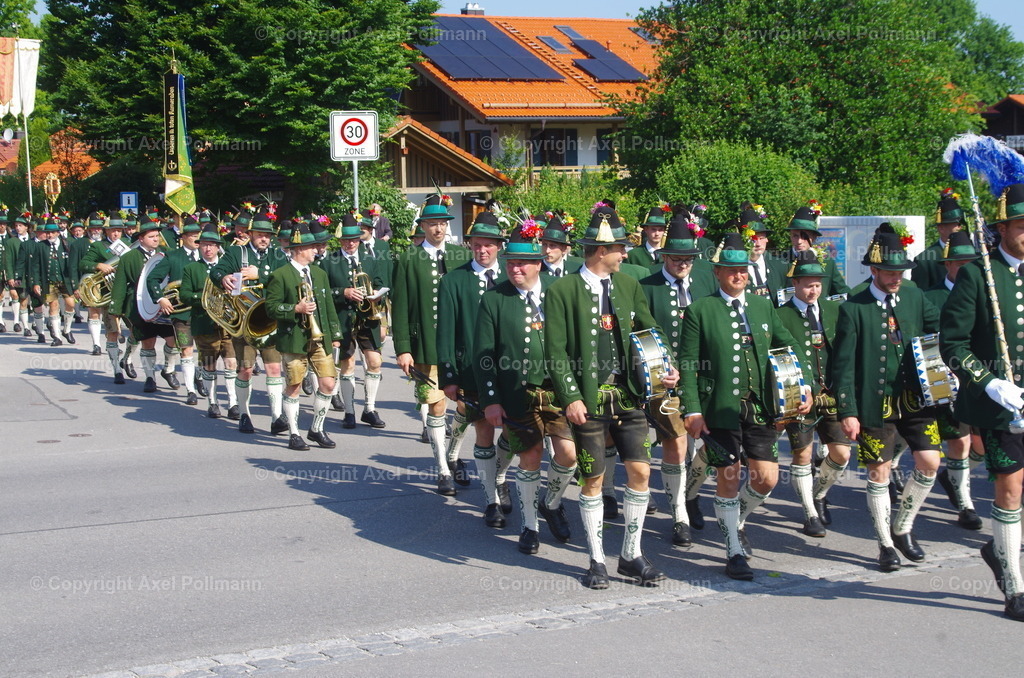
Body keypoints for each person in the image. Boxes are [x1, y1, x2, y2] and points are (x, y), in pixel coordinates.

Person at [546, 205, 679, 588]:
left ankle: (630, 554)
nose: (626, 254)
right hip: (587, 399)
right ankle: (595, 560)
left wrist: (665, 365)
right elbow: (555, 351)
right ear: (600, 251)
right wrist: (570, 396)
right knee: (592, 479)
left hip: (628, 395)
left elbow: (651, 330)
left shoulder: (627, 285)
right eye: (620, 248)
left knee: (640, 471)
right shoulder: (563, 290)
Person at [679, 233, 811, 580]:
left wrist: (804, 382)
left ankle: (737, 517)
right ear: (718, 272)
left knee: (766, 479)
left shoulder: (762, 305)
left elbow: (789, 342)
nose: (739, 275)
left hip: (761, 406)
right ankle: (733, 550)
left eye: (743, 270)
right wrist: (691, 409)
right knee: (729, 474)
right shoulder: (699, 310)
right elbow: (689, 363)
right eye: (732, 270)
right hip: (720, 406)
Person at [834, 224, 942, 573]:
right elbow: (843, 366)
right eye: (891, 272)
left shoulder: (913, 295)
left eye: (901, 272)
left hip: (916, 398)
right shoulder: (854, 305)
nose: (897, 277)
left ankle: (903, 526)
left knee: (930, 462)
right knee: (879, 472)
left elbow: (936, 330)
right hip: (872, 403)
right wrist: (847, 411)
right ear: (874, 269)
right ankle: (884, 543)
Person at [941, 182, 1024, 621]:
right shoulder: (978, 274)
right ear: (1003, 228)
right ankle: (1015, 587)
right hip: (999, 404)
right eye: (1022, 224)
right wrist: (990, 383)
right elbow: (952, 343)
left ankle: (998, 548)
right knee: (1010, 488)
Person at [476, 225, 578, 553]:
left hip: (558, 390)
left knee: (568, 455)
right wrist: (491, 400)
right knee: (531, 456)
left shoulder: (560, 291)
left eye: (522, 264)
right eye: (509, 264)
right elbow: (484, 355)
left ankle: (551, 502)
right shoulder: (494, 298)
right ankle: (530, 525)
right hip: (517, 393)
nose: (514, 269)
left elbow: (577, 345)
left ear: (538, 264)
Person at [638, 209, 717, 547]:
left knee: (710, 446)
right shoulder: (647, 286)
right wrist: (665, 367)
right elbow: (641, 333)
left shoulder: (707, 281)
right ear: (664, 256)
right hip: (665, 380)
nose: (682, 263)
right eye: (676, 257)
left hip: (705, 377)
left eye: (688, 258)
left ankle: (692, 492)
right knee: (676, 443)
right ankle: (679, 515)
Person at [392, 193, 471, 494]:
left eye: (442, 223)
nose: (438, 229)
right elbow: (399, 306)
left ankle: (453, 454)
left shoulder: (460, 256)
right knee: (436, 405)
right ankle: (442, 468)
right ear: (422, 225)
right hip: (425, 344)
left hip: (460, 347)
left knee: (466, 405)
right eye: (432, 223)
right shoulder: (408, 259)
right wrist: (402, 348)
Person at [775, 249, 852, 537]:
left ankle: (819, 493)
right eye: (808, 284)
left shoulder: (833, 309)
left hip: (830, 394)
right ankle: (809, 512)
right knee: (802, 455)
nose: (813, 290)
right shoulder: (781, 313)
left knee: (841, 454)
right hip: (799, 394)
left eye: (818, 284)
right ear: (794, 283)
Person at [438, 211, 508, 516]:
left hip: (511, 371)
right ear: (470, 246)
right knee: (483, 431)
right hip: (473, 372)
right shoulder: (454, 280)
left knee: (514, 435)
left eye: (488, 245)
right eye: (477, 245)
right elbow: (446, 333)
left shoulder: (513, 275)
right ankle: (492, 498)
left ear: (499, 246)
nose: (483, 250)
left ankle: (501, 476)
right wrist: (449, 376)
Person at [922, 230, 983, 530]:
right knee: (958, 441)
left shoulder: (983, 290)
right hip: (941, 378)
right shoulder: (930, 296)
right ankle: (966, 504)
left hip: (979, 378)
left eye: (971, 261)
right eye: (960, 262)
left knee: (981, 445)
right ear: (947, 264)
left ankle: (953, 477)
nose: (966, 266)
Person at [209, 211, 290, 433]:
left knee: (274, 368)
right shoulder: (237, 252)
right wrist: (223, 277)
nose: (264, 238)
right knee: (245, 369)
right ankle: (244, 414)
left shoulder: (278, 256)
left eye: (267, 235)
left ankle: (276, 417)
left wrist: (260, 275)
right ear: (251, 234)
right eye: (259, 234)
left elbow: (287, 278)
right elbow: (216, 271)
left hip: (270, 320)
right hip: (245, 321)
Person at [265, 222, 343, 451]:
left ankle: (316, 428)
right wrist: (294, 309)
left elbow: (328, 305)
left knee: (328, 383)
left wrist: (335, 334)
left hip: (320, 338)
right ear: (298, 250)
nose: (316, 250)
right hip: (294, 339)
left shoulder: (319, 273)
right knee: (295, 385)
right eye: (311, 247)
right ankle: (294, 433)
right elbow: (270, 308)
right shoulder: (280, 275)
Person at [319, 214, 388, 430]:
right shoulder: (329, 261)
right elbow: (321, 292)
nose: (351, 244)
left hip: (367, 318)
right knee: (347, 364)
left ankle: (369, 408)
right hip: (342, 319)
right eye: (347, 241)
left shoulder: (370, 258)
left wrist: (377, 293)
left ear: (360, 240)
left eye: (355, 240)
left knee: (375, 362)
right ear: (340, 241)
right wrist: (343, 292)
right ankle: (349, 411)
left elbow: (381, 283)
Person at [109, 216, 175, 393]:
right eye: (151, 236)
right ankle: (150, 378)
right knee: (148, 342)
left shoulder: (166, 253)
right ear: (141, 239)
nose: (156, 239)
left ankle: (168, 370)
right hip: (140, 305)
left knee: (172, 341)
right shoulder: (129, 257)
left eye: (157, 236)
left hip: (163, 304)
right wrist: (116, 310)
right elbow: (120, 284)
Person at [179, 225, 239, 417]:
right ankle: (213, 402)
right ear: (199, 246)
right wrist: (207, 298)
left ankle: (233, 403)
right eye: (204, 245)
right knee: (209, 364)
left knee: (231, 363)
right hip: (204, 323)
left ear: (218, 247)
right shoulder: (191, 268)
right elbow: (185, 295)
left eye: (212, 245)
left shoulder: (229, 268)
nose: (208, 249)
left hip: (228, 324)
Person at [146, 216, 205, 403]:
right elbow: (152, 279)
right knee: (186, 350)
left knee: (205, 350)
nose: (197, 239)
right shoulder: (173, 256)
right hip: (182, 313)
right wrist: (161, 298)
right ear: (183, 237)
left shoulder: (208, 256)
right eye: (192, 236)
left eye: (199, 235)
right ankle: (190, 390)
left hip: (205, 312)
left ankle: (201, 378)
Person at [778, 201, 850, 299]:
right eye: (795, 236)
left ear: (814, 237)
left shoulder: (827, 263)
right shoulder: (779, 261)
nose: (799, 241)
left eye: (804, 237)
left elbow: (842, 292)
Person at [27, 219, 77, 346]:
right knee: (53, 306)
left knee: (71, 304)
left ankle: (67, 330)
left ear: (58, 233)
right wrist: (36, 283)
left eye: (52, 232)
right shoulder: (41, 246)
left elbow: (73, 264)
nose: (49, 235)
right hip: (49, 281)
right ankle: (57, 336)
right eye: (47, 232)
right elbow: (36, 266)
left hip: (65, 280)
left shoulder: (67, 244)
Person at [913, 188, 965, 291]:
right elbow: (921, 297)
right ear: (941, 228)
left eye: (961, 224)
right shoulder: (925, 260)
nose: (960, 227)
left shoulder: (972, 254)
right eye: (957, 224)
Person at [736, 203, 786, 304]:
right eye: (753, 239)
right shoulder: (735, 268)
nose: (758, 243)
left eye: (761, 238)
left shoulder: (780, 265)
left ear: (767, 240)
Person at [538, 211, 582, 279]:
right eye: (544, 244)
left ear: (564, 249)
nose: (547, 250)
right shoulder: (536, 271)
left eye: (552, 245)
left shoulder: (576, 270)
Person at [626, 204, 670, 271]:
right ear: (646, 229)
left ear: (664, 231)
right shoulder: (633, 255)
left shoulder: (668, 256)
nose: (657, 234)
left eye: (660, 230)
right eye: (653, 229)